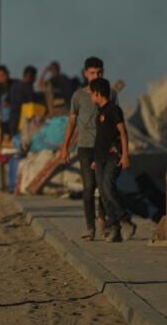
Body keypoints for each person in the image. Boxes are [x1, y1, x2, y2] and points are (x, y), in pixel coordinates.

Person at [60, 57, 117, 241]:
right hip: (85, 146)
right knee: (88, 187)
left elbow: (116, 121)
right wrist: (65, 147)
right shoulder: (78, 96)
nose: (96, 76)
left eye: (99, 73)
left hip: (104, 147)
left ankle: (103, 221)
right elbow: (71, 122)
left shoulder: (112, 94)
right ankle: (90, 227)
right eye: (92, 73)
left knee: (104, 186)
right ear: (85, 74)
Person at [89, 77, 136, 243]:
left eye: (91, 93)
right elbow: (101, 138)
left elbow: (123, 133)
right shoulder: (99, 112)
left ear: (97, 93)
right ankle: (114, 228)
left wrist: (125, 155)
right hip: (100, 158)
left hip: (113, 157)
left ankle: (125, 220)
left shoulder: (114, 110)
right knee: (102, 193)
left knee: (108, 187)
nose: (90, 97)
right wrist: (95, 158)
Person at [6, 66, 44, 136]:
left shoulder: (14, 86)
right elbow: (32, 105)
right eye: (34, 77)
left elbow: (6, 103)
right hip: (23, 124)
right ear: (30, 76)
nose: (34, 80)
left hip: (12, 121)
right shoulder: (28, 88)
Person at [0, 65, 15, 144]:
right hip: (3, 117)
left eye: (3, 75)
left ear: (7, 74)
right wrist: (0, 111)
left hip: (14, 115)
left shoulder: (14, 85)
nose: (2, 78)